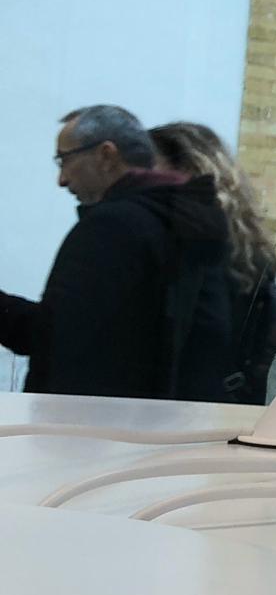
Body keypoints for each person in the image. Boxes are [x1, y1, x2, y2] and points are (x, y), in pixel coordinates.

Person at [0, 105, 235, 401]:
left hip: (88, 419)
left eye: (64, 160)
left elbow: (56, 338)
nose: (62, 179)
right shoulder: (184, 219)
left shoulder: (114, 226)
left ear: (106, 155)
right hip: (162, 417)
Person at [150, 122, 276, 404]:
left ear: (185, 168)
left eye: (151, 169)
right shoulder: (249, 242)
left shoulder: (189, 239)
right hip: (226, 399)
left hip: (186, 401)